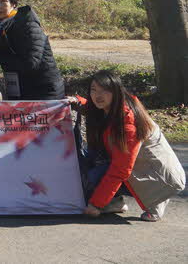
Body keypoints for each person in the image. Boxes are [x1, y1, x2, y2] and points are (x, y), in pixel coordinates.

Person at [70, 70, 185, 222]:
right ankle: (114, 202)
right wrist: (77, 101)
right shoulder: (113, 107)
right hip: (139, 168)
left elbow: (121, 169)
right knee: (88, 172)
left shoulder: (128, 124)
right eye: (94, 90)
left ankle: (157, 198)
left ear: (116, 92)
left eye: (104, 90)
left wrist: (96, 204)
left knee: (92, 179)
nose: (98, 95)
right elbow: (92, 107)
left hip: (163, 179)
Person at [0, 0, 64, 100]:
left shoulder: (27, 23)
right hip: (19, 87)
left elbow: (31, 62)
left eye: (3, 1)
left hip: (44, 90)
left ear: (13, 3)